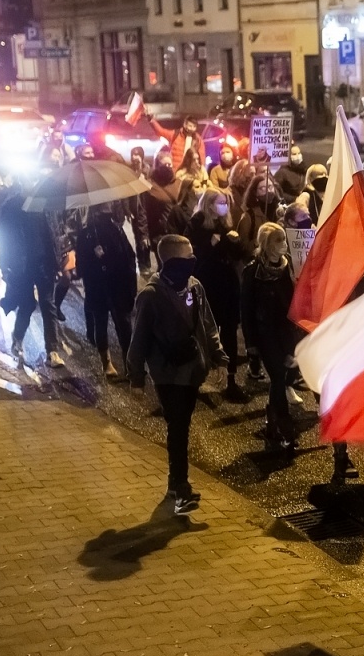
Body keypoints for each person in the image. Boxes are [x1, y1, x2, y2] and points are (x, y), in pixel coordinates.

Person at [127, 234, 229, 513]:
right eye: (187, 257)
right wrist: (136, 379)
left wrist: (220, 359)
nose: (193, 262)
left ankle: (176, 485)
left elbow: (208, 325)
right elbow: (139, 339)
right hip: (167, 374)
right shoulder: (150, 296)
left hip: (192, 370)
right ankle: (180, 489)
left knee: (181, 426)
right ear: (170, 261)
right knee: (178, 427)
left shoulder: (194, 287)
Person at [0, 166, 66, 368]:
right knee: (26, 305)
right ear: (21, 182)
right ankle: (17, 337)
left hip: (44, 263)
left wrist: (58, 261)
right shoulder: (12, 206)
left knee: (48, 305)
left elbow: (53, 233)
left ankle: (52, 351)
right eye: (29, 181)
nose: (33, 186)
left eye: (36, 182)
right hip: (21, 265)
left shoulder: (45, 204)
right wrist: (5, 265)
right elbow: (4, 239)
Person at [240, 222, 299, 452]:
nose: (283, 244)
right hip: (266, 334)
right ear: (267, 244)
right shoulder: (253, 272)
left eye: (284, 239)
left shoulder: (288, 268)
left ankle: (272, 420)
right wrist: (251, 343)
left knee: (286, 376)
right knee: (277, 377)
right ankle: (285, 429)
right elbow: (246, 309)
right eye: (278, 240)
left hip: (287, 332)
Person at [187, 187, 247, 398]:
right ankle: (199, 374)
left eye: (226, 203)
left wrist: (235, 241)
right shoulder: (196, 224)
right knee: (203, 330)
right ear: (209, 204)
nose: (225, 206)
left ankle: (230, 379)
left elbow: (238, 255)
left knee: (229, 331)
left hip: (227, 285)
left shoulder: (225, 225)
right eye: (220, 203)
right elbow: (191, 254)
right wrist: (209, 244)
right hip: (207, 284)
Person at [75, 204, 140, 378]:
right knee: (101, 322)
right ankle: (107, 363)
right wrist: (94, 256)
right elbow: (80, 268)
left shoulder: (116, 230)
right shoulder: (86, 234)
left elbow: (129, 256)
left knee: (124, 327)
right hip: (98, 286)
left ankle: (129, 365)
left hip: (117, 285)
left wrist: (129, 283)